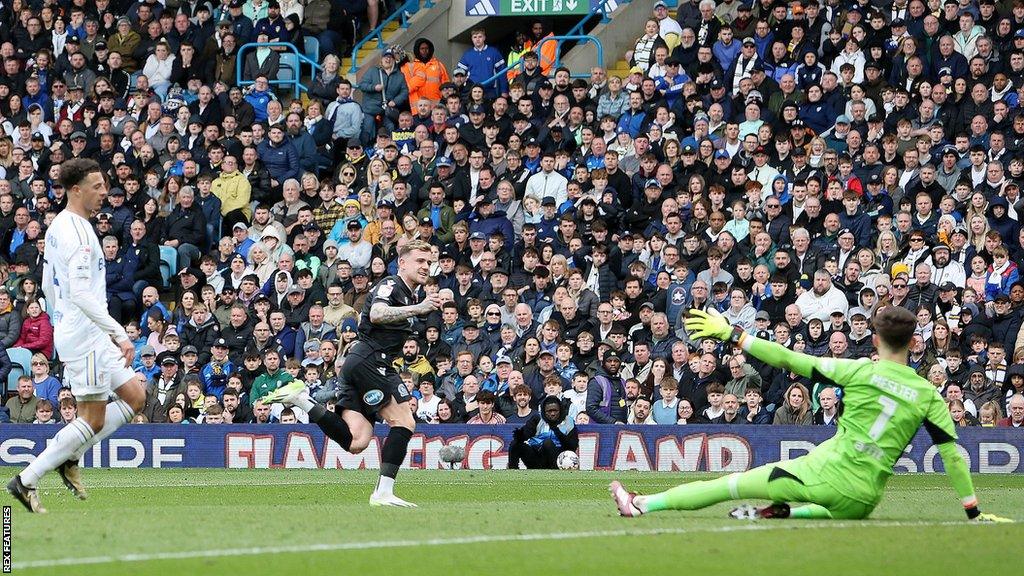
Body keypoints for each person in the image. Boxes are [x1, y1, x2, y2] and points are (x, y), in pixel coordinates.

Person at [610, 306, 1011, 523]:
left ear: (874, 339)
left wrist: (733, 333)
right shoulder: (928, 393)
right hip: (864, 500)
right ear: (913, 341)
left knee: (730, 484)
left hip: (827, 476)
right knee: (827, 506)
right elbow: (952, 455)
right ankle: (783, 513)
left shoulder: (857, 370)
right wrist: (973, 512)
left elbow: (786, 356)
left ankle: (643, 504)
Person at [8, 159, 147, 514]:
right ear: (76, 190)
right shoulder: (80, 235)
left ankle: (71, 457)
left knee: (135, 396)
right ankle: (26, 479)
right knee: (93, 419)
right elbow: (84, 295)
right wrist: (119, 333)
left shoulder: (58, 226)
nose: (104, 193)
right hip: (87, 334)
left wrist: (61, 315)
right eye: (97, 187)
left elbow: (48, 283)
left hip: (81, 328)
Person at [261, 240, 441, 507]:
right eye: (420, 261)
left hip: (360, 362)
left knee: (357, 442)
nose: (425, 267)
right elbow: (378, 313)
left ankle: (302, 400)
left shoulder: (410, 292)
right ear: (402, 263)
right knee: (404, 422)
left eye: (428, 262)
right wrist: (419, 308)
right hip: (372, 360)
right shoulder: (392, 285)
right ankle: (383, 493)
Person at [507, 395, 578, 469]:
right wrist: (520, 435)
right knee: (515, 444)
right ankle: (513, 470)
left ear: (560, 410)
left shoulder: (568, 421)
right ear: (544, 411)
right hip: (537, 458)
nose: (553, 414)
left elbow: (572, 447)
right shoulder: (537, 418)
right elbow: (522, 436)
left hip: (559, 458)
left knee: (548, 443)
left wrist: (556, 430)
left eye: (555, 411)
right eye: (549, 411)